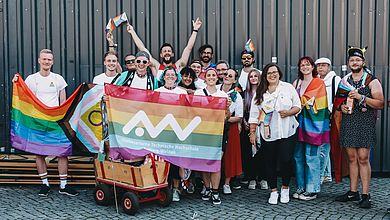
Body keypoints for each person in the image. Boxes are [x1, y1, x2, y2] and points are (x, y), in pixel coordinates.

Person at [12, 49, 78, 197]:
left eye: (49, 59)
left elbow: (63, 101)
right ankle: (45, 184)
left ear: (52, 62)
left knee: (63, 152)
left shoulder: (58, 79)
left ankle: (63, 185)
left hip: (56, 121)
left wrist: (62, 119)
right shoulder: (31, 79)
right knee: (39, 153)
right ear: (39, 61)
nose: (46, 62)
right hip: (37, 121)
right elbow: (25, 97)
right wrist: (16, 82)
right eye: (44, 59)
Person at [334, 47, 384, 209]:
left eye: (357, 60)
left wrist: (361, 97)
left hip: (364, 122)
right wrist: (342, 108)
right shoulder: (344, 81)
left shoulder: (371, 81)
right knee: (352, 159)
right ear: (348, 63)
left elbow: (380, 103)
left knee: (363, 158)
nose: (354, 62)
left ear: (363, 62)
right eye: (351, 60)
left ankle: (365, 194)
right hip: (348, 122)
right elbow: (338, 103)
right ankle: (353, 191)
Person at [249, 63, 301, 204]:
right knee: (269, 162)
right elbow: (253, 115)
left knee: (285, 160)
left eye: (275, 72)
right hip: (268, 133)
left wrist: (289, 112)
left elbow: (298, 106)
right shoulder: (260, 92)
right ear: (265, 76)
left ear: (279, 73)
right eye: (269, 73)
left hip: (287, 131)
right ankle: (273, 191)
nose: (272, 75)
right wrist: (252, 133)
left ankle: (285, 188)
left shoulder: (288, 88)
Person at [292, 56, 330, 201]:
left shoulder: (318, 82)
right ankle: (301, 187)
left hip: (314, 125)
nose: (305, 67)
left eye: (307, 64)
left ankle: (312, 189)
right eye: (302, 65)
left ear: (312, 67)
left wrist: (301, 104)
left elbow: (320, 105)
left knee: (311, 157)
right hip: (298, 124)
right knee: (298, 157)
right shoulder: (297, 83)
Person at [194, 68, 229, 205]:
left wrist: (226, 110)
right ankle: (207, 187)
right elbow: (195, 111)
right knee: (204, 162)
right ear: (205, 77)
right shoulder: (198, 93)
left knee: (216, 162)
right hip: (203, 132)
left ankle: (215, 191)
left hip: (218, 132)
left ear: (217, 78)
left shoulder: (223, 95)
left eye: (213, 75)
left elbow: (227, 116)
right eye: (208, 75)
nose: (211, 77)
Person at [126, 18, 202, 80]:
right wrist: (132, 32)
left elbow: (188, 48)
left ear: (172, 54)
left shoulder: (179, 65)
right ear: (161, 55)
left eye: (169, 51)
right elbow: (142, 48)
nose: (167, 52)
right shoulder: (156, 66)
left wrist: (195, 30)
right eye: (164, 51)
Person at [155, 66, 188, 202]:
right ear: (163, 77)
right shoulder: (157, 92)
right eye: (167, 74)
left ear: (176, 77)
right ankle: (159, 188)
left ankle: (175, 189)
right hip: (160, 131)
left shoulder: (182, 92)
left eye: (172, 75)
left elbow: (186, 111)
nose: (169, 77)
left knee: (175, 161)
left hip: (176, 131)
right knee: (161, 160)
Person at [315, 57, 341, 184]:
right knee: (323, 145)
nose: (320, 68)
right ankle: (326, 174)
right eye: (318, 65)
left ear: (329, 67)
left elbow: (340, 98)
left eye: (323, 65)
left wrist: (331, 111)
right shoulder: (316, 81)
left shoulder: (336, 80)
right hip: (318, 117)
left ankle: (320, 175)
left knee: (324, 146)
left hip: (330, 116)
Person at [217, 69, 243, 195]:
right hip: (214, 125)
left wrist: (225, 119)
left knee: (229, 155)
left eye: (230, 76)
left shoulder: (236, 95)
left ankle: (226, 183)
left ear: (234, 80)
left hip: (229, 125)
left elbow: (239, 116)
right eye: (226, 74)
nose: (227, 77)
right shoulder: (215, 89)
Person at [240, 69, 267, 190]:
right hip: (248, 126)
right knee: (249, 153)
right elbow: (242, 110)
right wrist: (245, 122)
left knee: (263, 153)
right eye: (251, 76)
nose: (254, 78)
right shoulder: (244, 93)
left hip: (262, 125)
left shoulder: (265, 92)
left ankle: (263, 178)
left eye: (256, 76)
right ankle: (251, 178)